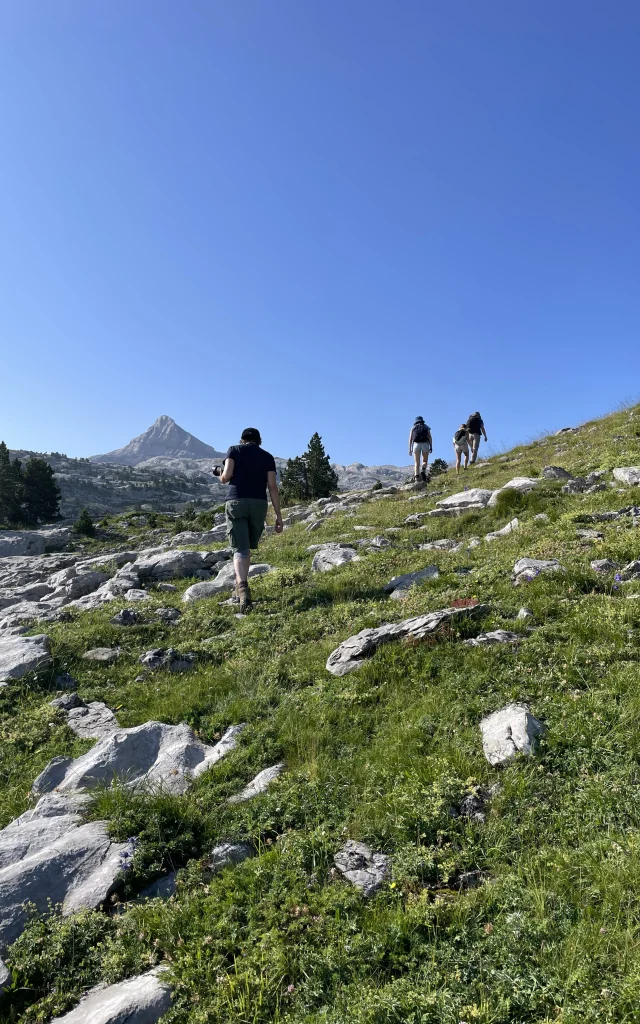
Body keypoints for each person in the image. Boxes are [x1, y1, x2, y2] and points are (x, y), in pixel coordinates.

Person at [213, 427, 283, 612]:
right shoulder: (267, 457)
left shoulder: (234, 450)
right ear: (259, 441)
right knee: (247, 548)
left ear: (242, 439)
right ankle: (241, 586)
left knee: (240, 549)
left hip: (236, 502)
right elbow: (272, 487)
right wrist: (278, 515)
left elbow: (226, 477)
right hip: (258, 504)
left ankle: (242, 589)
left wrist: (219, 473)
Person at [408, 416, 432, 482]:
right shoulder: (426, 427)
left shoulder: (413, 428)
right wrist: (431, 446)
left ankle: (416, 478)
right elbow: (430, 437)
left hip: (416, 444)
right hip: (425, 444)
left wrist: (410, 449)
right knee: (424, 461)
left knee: (416, 462)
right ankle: (423, 470)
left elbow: (410, 439)